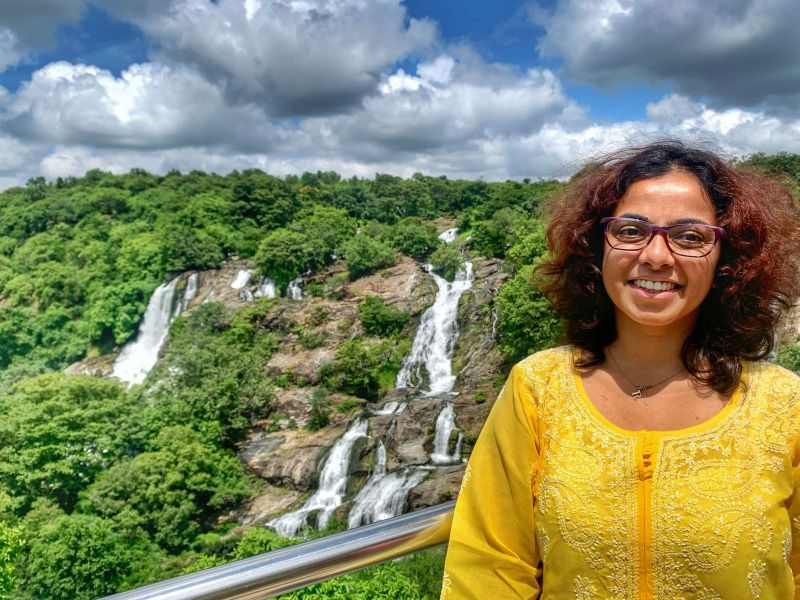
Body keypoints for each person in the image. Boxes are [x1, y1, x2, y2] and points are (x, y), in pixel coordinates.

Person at [441, 140, 800, 599]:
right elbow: (488, 569)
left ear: (727, 262)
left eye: (690, 237)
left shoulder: (783, 405)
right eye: (630, 230)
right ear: (597, 248)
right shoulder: (537, 389)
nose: (655, 256)